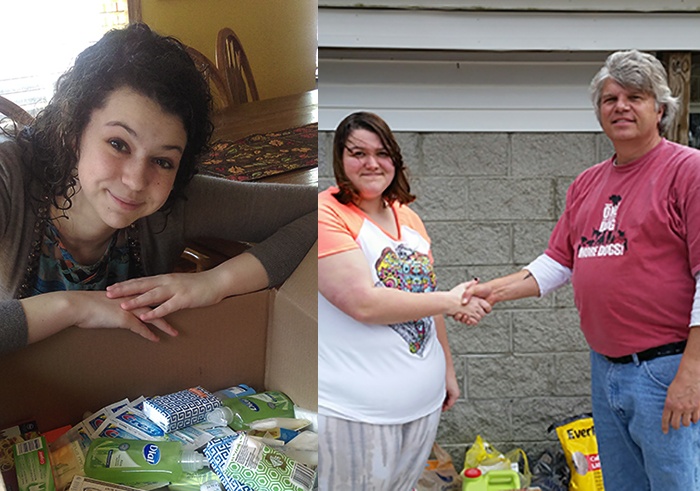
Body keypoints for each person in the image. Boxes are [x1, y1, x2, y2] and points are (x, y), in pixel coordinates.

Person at [0, 23, 316, 355]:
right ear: (74, 132)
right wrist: (73, 307)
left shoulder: (175, 201)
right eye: (118, 144)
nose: (137, 181)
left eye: (163, 161)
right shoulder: (10, 178)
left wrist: (217, 282)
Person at [463, 50, 700, 489]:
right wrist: (491, 291)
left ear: (660, 109)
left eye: (635, 97)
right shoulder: (587, 183)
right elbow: (558, 262)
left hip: (667, 369)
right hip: (605, 367)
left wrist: (694, 372)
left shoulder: (688, 170)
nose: (620, 107)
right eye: (610, 99)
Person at [317, 111, 491, 490]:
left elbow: (429, 298)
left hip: (422, 405)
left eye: (382, 153)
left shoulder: (408, 218)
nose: (371, 163)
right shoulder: (325, 213)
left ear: (395, 159)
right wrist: (451, 301)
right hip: (356, 410)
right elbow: (362, 302)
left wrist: (447, 370)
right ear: (339, 159)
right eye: (357, 153)